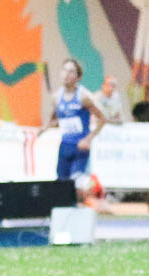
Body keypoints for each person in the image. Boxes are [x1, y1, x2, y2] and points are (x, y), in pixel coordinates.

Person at [43, 57, 105, 190]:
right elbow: (54, 120)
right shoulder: (56, 97)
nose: (66, 74)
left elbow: (102, 118)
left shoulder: (84, 96)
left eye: (71, 71)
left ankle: (88, 196)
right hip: (65, 146)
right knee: (61, 186)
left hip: (80, 148)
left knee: (77, 185)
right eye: (65, 70)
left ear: (78, 77)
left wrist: (88, 139)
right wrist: (42, 130)